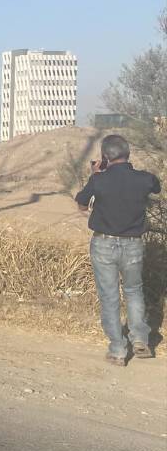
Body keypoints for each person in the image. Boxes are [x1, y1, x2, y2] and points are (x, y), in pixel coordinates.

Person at [75, 134, 161, 366]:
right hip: (133, 244)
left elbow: (82, 203)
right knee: (134, 291)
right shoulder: (143, 179)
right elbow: (156, 186)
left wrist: (96, 175)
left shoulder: (99, 180)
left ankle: (117, 350)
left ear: (104, 157)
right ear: (128, 154)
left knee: (109, 296)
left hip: (103, 243)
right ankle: (140, 338)